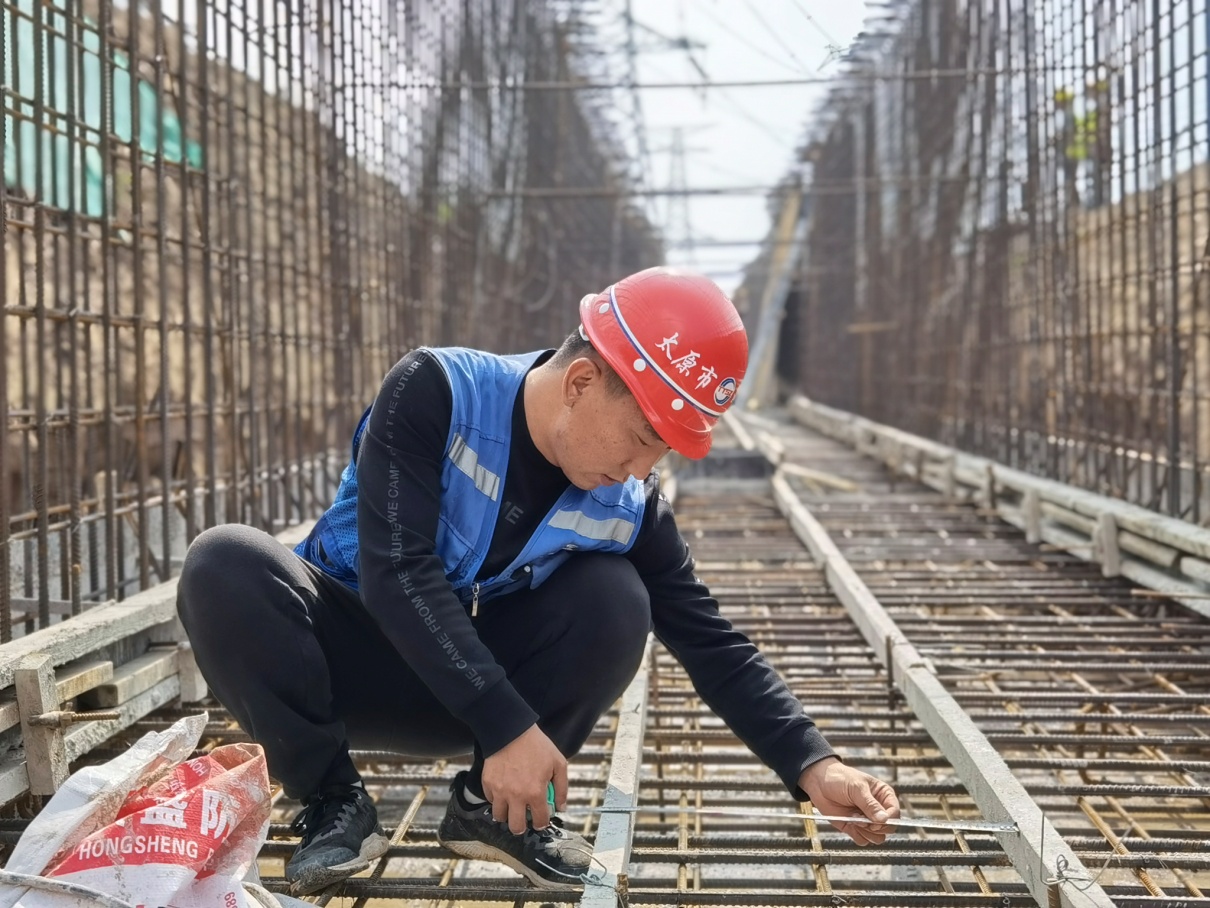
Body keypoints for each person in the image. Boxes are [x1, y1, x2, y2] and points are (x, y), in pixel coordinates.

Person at [177, 267, 901, 896]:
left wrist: (814, 763)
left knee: (616, 597)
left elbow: (712, 641)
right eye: (642, 438)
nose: (640, 469)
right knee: (224, 562)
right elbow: (397, 573)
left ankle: (492, 812)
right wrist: (507, 724)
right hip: (351, 667)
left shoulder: (630, 506)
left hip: (473, 701)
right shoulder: (437, 392)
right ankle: (334, 801)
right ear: (582, 382)